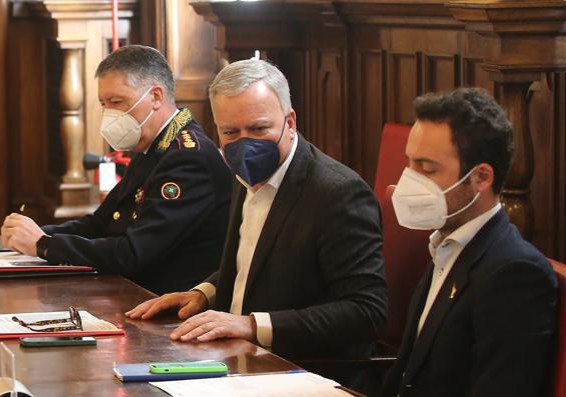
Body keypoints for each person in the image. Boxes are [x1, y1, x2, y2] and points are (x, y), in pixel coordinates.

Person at [125, 59, 387, 362]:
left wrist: (251, 324)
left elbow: (367, 312)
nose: (244, 144)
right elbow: (253, 261)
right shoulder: (242, 174)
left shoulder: (338, 193)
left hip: (301, 368)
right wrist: (203, 293)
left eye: (259, 128)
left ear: (290, 122)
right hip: (233, 356)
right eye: (231, 133)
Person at [0, 45, 232, 294]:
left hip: (165, 306)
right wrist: (33, 235)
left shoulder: (187, 158)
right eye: (104, 103)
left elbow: (134, 253)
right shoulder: (153, 146)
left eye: (117, 102)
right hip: (130, 292)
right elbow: (100, 223)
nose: (109, 112)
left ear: (155, 96)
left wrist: (44, 245)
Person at [379, 88, 557, 396]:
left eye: (427, 168)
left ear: (482, 177)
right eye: (409, 163)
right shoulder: (445, 245)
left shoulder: (514, 273)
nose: (409, 179)